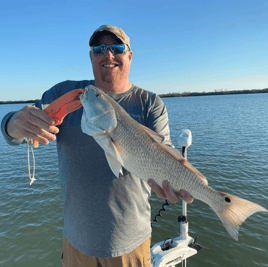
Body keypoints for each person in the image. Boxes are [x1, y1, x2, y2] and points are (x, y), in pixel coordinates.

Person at [1, 25, 194, 267]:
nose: (108, 54)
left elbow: (163, 153)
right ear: (91, 56)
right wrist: (12, 123)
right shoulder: (68, 93)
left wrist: (176, 183)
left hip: (131, 243)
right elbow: (20, 133)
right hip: (75, 243)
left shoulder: (150, 103)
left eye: (117, 48)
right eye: (99, 48)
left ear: (130, 55)